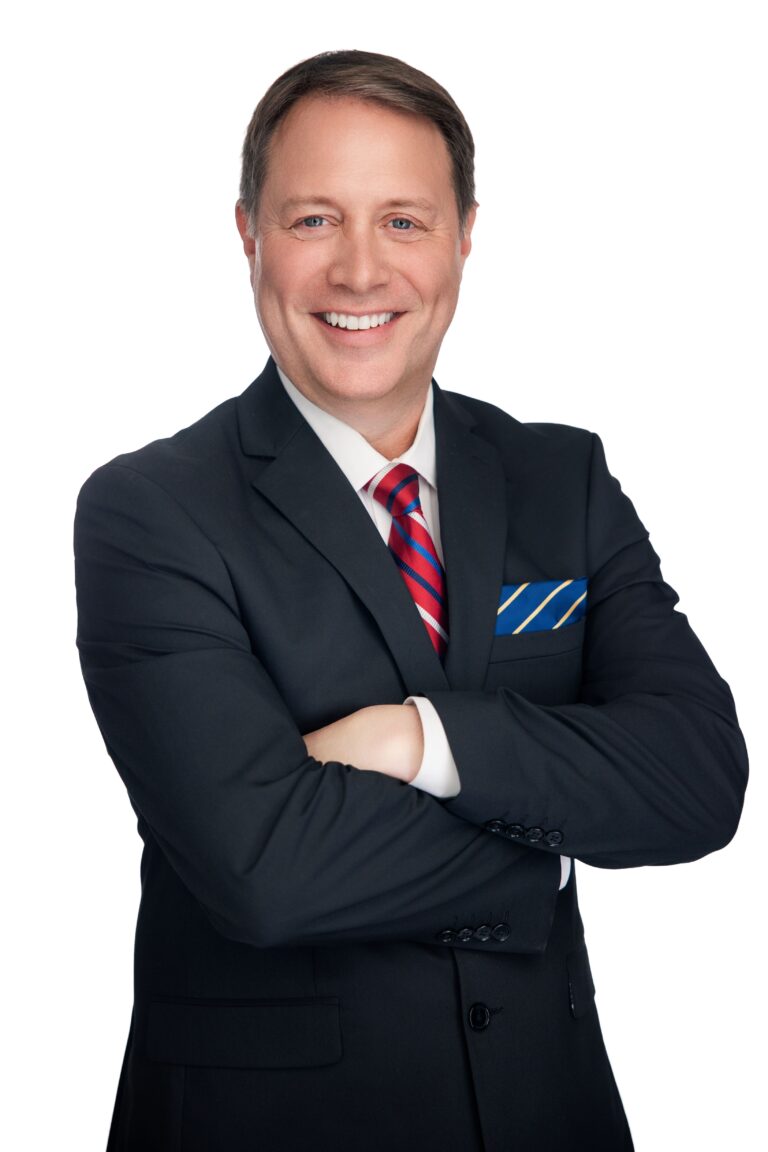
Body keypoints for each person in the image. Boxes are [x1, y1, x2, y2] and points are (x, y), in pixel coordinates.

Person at [74, 49, 748, 1152]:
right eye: (313, 220)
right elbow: (264, 871)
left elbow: (698, 780)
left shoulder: (562, 480)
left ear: (464, 237)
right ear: (247, 234)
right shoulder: (152, 511)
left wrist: (421, 741)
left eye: (403, 221)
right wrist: (554, 838)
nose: (359, 271)